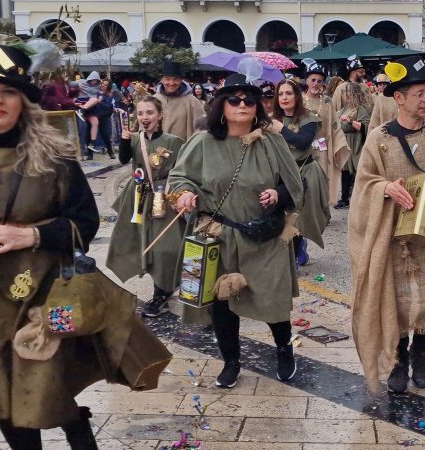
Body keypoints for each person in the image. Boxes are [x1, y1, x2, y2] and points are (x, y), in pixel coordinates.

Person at [0, 45, 169, 450]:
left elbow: (85, 223)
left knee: (43, 380)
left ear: (24, 101)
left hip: (45, 290)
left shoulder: (55, 158)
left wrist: (30, 235)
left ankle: (78, 430)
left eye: (8, 92)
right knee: (1, 394)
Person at [170, 73, 305, 387]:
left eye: (249, 99)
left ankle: (284, 350)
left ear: (257, 105)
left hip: (265, 236)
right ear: (222, 105)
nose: (242, 104)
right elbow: (180, 179)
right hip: (219, 235)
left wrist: (278, 194)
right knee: (222, 301)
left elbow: (296, 184)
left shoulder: (271, 141)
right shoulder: (203, 142)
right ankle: (231, 361)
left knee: (273, 298)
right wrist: (185, 194)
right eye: (235, 99)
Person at [347, 58, 425, 394]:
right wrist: (385, 188)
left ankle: (421, 353)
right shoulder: (379, 138)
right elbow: (364, 183)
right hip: (393, 236)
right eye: (418, 93)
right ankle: (400, 359)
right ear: (398, 98)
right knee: (399, 303)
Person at [106, 96, 186, 318]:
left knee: (165, 247)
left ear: (159, 115)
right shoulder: (133, 139)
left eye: (149, 113)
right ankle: (161, 289)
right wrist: (123, 140)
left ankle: (163, 290)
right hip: (139, 195)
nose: (145, 117)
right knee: (141, 241)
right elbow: (123, 160)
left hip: (164, 196)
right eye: (140, 113)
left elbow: (183, 170)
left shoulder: (174, 141)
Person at [272, 78, 329, 267]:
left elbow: (303, 142)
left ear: (296, 96)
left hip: (304, 172)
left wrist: (281, 130)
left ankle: (296, 252)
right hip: (280, 173)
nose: (284, 97)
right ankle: (286, 253)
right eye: (280, 94)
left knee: (300, 217)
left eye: (288, 93)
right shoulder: (272, 118)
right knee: (281, 214)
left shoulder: (308, 118)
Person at [303, 60, 351, 206]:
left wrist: (337, 146)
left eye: (319, 81)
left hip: (323, 147)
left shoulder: (327, 102)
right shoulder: (299, 100)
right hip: (304, 146)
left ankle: (321, 209)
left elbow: (335, 126)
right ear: (307, 81)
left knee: (323, 177)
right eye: (313, 80)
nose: (316, 83)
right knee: (305, 178)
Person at [335, 81, 372, 209]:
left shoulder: (361, 109)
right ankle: (344, 199)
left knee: (357, 172)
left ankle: (361, 198)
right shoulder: (344, 108)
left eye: (349, 93)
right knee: (345, 172)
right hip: (344, 142)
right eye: (346, 93)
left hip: (356, 143)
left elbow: (365, 127)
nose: (346, 95)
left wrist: (350, 121)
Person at [154, 61, 205, 140]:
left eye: (175, 79)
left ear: (181, 80)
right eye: (167, 79)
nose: (171, 83)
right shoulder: (154, 100)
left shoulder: (192, 101)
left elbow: (203, 127)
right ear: (162, 80)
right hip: (158, 149)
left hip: (184, 149)